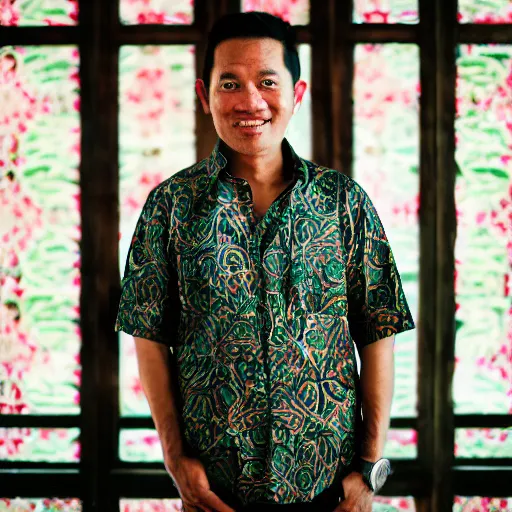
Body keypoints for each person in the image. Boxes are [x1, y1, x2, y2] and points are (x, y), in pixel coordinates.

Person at [115, 11, 415, 512]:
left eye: (267, 82)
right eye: (229, 82)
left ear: (297, 94)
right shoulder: (170, 206)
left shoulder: (343, 202)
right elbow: (148, 336)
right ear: (203, 94)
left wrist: (368, 468)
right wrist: (175, 459)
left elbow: (378, 331)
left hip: (329, 490)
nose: (250, 102)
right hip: (215, 494)